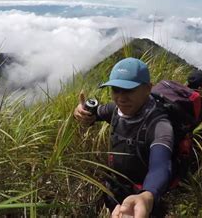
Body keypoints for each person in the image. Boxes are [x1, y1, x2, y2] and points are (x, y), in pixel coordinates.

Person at [73, 57, 173, 218]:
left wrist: (147, 196)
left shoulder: (159, 125)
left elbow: (160, 166)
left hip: (141, 202)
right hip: (115, 190)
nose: (121, 98)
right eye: (115, 89)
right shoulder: (115, 110)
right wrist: (81, 112)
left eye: (128, 90)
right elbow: (95, 113)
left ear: (148, 88)